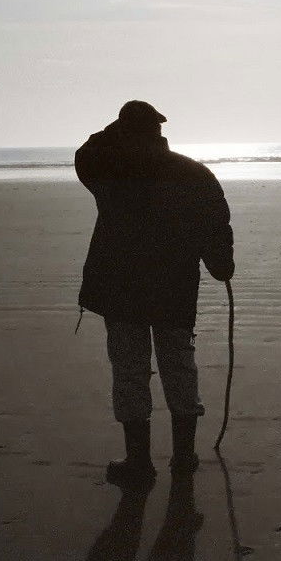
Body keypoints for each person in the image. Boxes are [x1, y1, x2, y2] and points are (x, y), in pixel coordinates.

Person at [76, 100, 234, 483]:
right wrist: (221, 265)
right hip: (173, 290)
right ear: (159, 132)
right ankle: (183, 459)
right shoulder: (192, 173)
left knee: (130, 371)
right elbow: (216, 222)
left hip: (121, 290)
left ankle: (139, 463)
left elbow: (85, 154)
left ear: (123, 132)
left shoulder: (111, 171)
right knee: (178, 367)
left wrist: (115, 130)